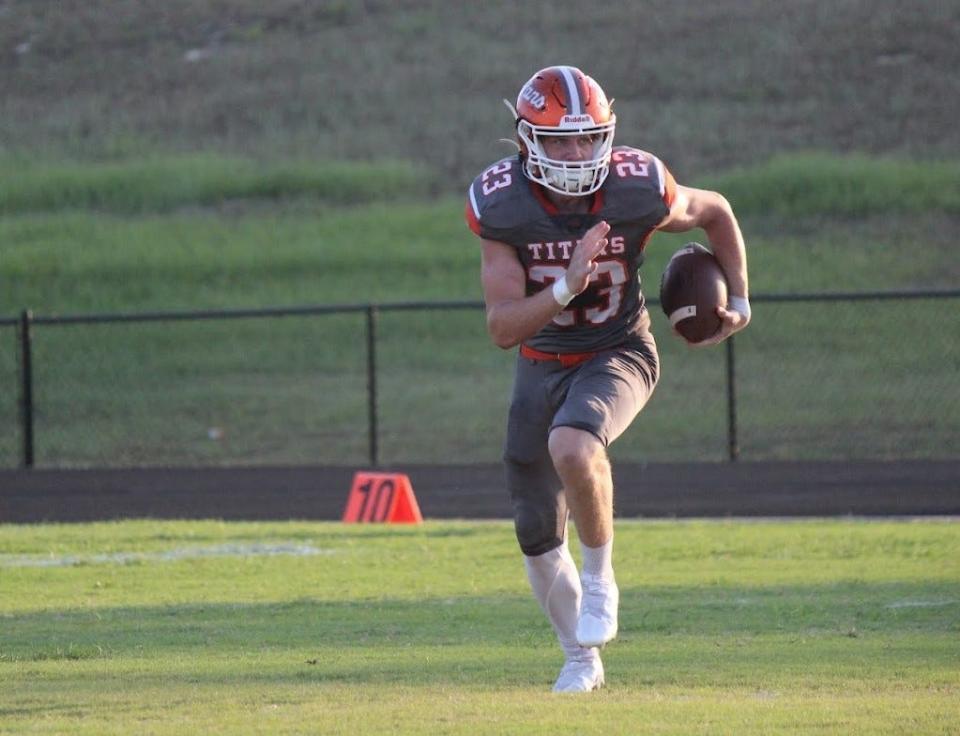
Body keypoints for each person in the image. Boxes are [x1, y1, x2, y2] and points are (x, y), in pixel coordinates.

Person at [464, 65, 750, 693]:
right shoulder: (502, 203)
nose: (575, 153)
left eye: (587, 138)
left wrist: (742, 304)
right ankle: (579, 657)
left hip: (619, 349)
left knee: (573, 444)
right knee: (536, 532)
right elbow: (503, 328)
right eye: (559, 140)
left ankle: (600, 579)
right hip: (540, 362)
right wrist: (566, 283)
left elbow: (715, 211)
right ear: (525, 141)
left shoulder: (636, 186)